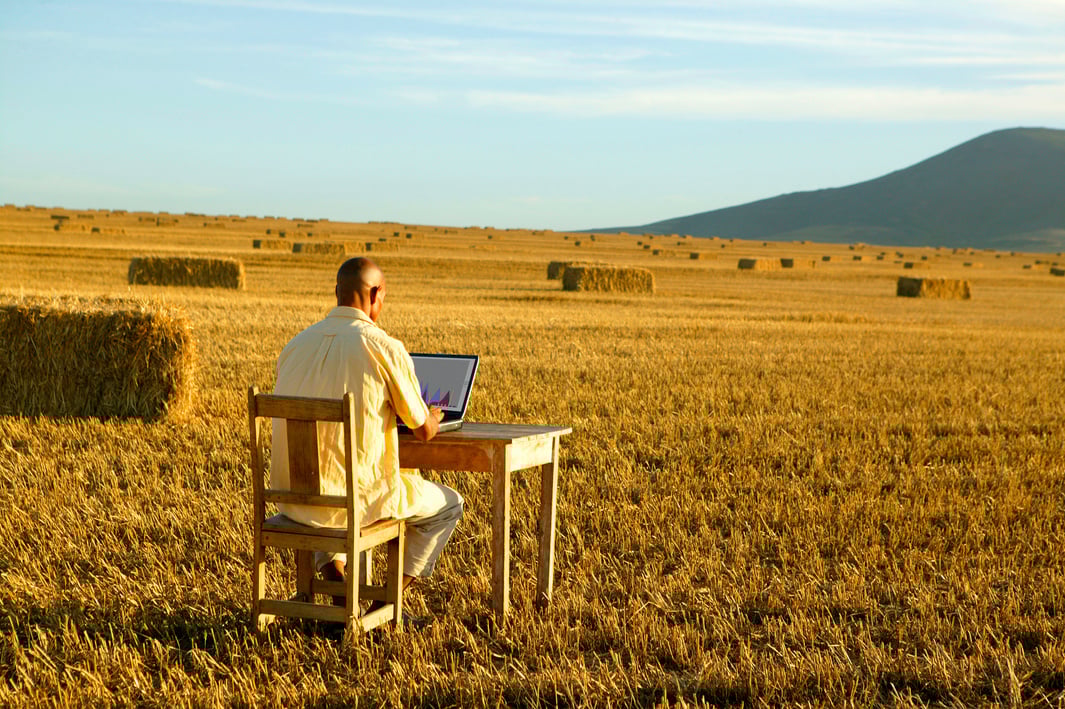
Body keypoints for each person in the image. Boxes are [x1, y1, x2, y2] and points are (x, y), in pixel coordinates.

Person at [270, 256, 464, 609]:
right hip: (355, 503)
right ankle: (387, 604)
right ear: (376, 294)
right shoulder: (383, 347)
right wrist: (434, 416)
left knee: (328, 498)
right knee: (449, 506)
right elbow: (423, 431)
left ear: (337, 293)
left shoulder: (294, 347)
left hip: (293, 498)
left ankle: (342, 593)